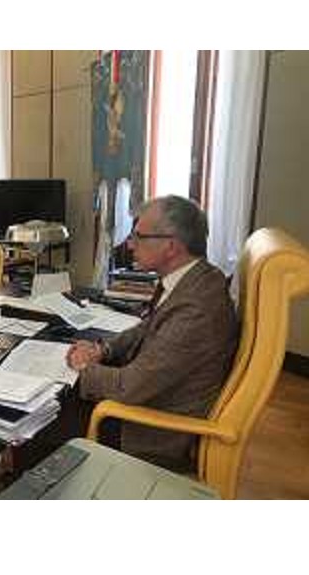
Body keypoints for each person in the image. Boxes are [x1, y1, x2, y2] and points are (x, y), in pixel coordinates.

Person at [67, 195, 239, 472]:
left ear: (171, 246)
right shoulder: (196, 279)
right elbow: (147, 327)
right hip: (151, 398)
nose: (129, 244)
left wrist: (83, 366)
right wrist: (103, 350)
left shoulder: (196, 309)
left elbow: (128, 388)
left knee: (48, 418)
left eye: (139, 236)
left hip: (151, 434)